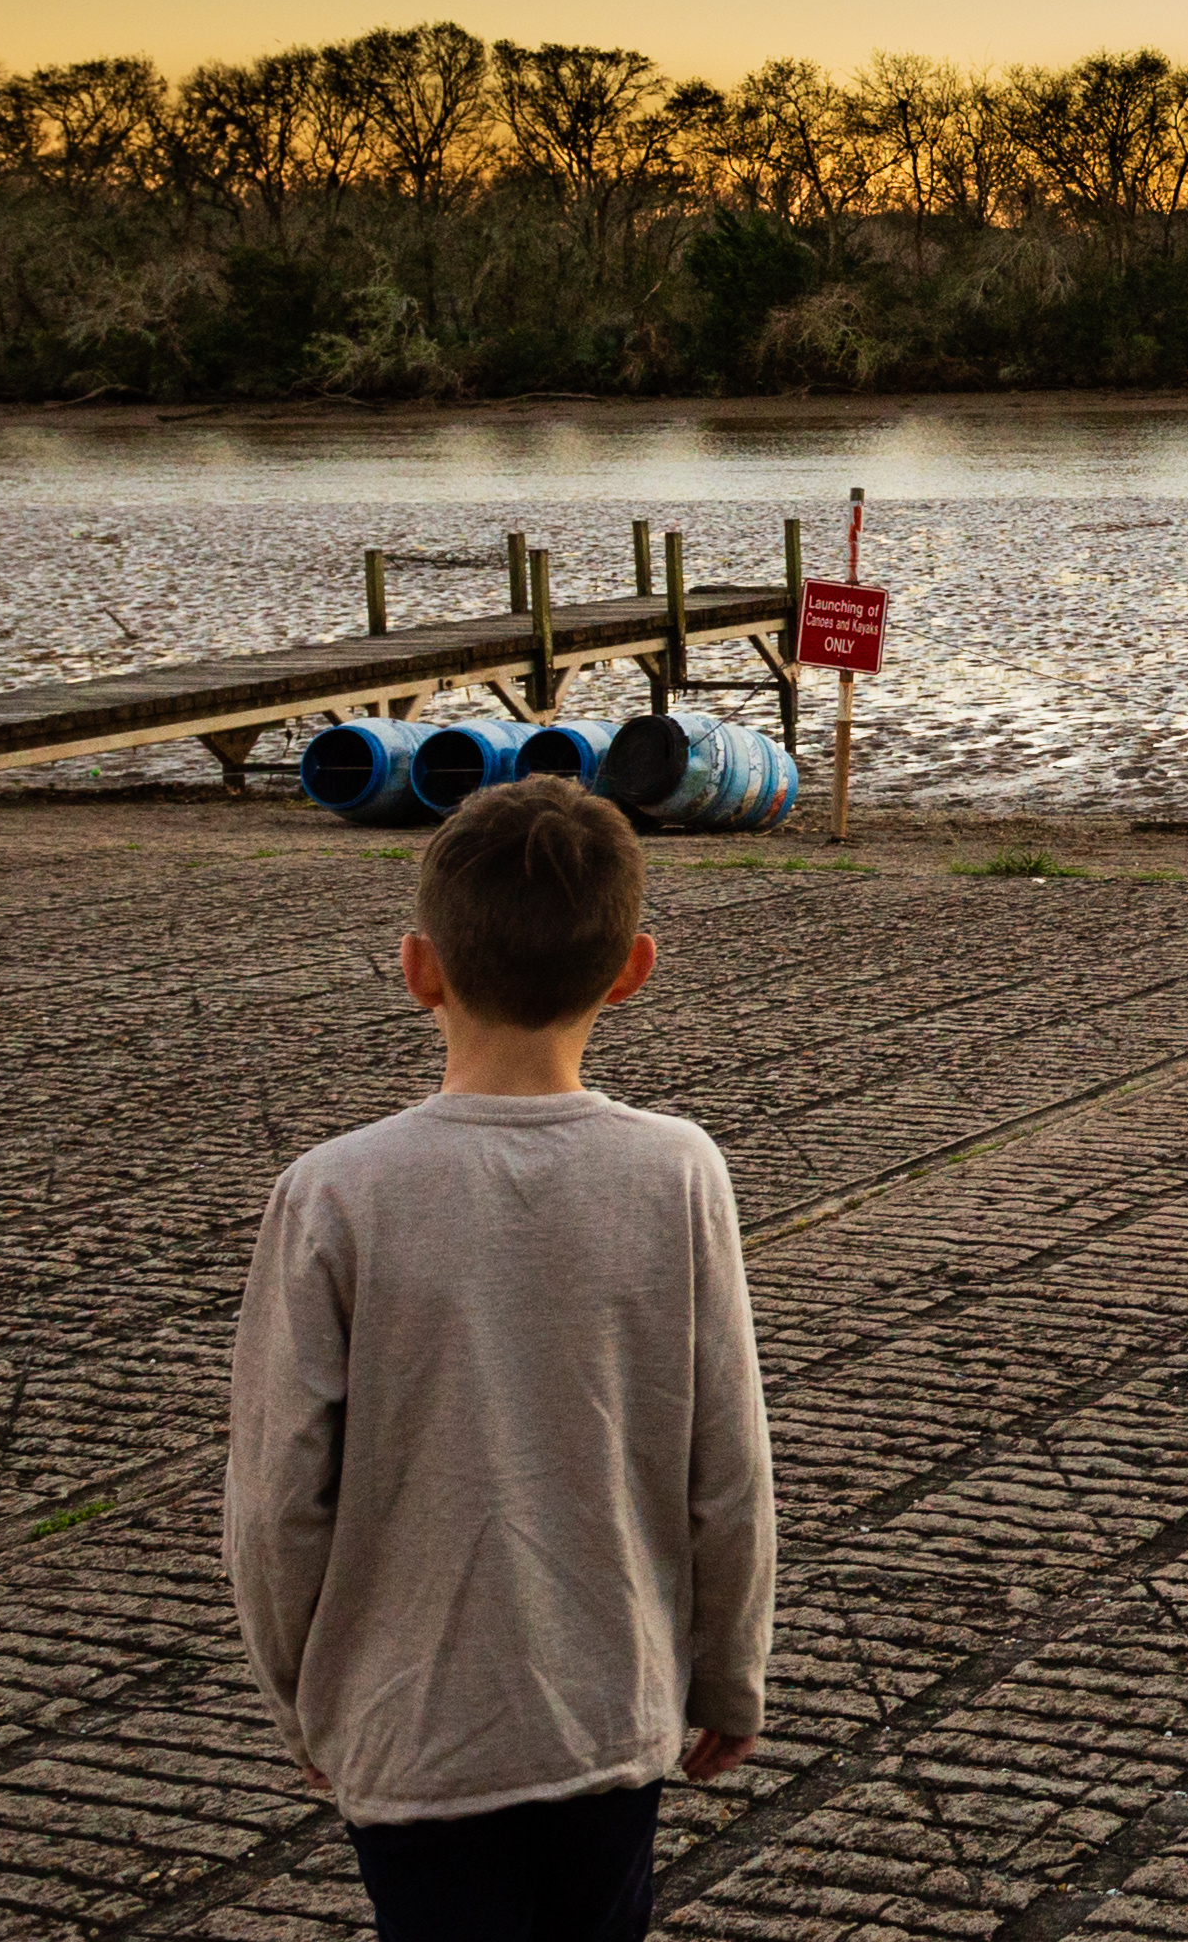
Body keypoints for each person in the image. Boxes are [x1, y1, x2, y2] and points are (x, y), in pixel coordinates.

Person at [228, 773, 774, 1942]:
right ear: (633, 969)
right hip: (607, 1712)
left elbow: (278, 1495)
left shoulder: (335, 1191)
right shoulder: (678, 1172)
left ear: (419, 967)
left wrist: (304, 1703)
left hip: (407, 1721)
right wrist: (730, 1670)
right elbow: (727, 1465)